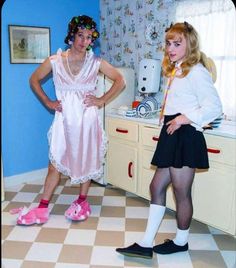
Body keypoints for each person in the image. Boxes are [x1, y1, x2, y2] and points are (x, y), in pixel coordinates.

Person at [116, 21, 222, 259]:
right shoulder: (178, 69)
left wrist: (184, 118)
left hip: (185, 135)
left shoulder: (196, 71)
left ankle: (181, 242)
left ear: (190, 44)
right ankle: (145, 244)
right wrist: (164, 119)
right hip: (172, 132)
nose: (170, 48)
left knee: (182, 192)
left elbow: (214, 107)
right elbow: (178, 101)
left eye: (177, 43)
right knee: (156, 186)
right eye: (168, 43)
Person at [11, 15, 125, 225]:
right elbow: (34, 79)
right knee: (54, 164)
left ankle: (82, 200)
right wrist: (48, 102)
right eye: (80, 35)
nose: (84, 41)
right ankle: (43, 206)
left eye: (89, 37)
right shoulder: (55, 61)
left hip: (87, 120)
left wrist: (101, 100)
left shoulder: (96, 62)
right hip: (64, 121)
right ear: (72, 36)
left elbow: (120, 80)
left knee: (87, 160)